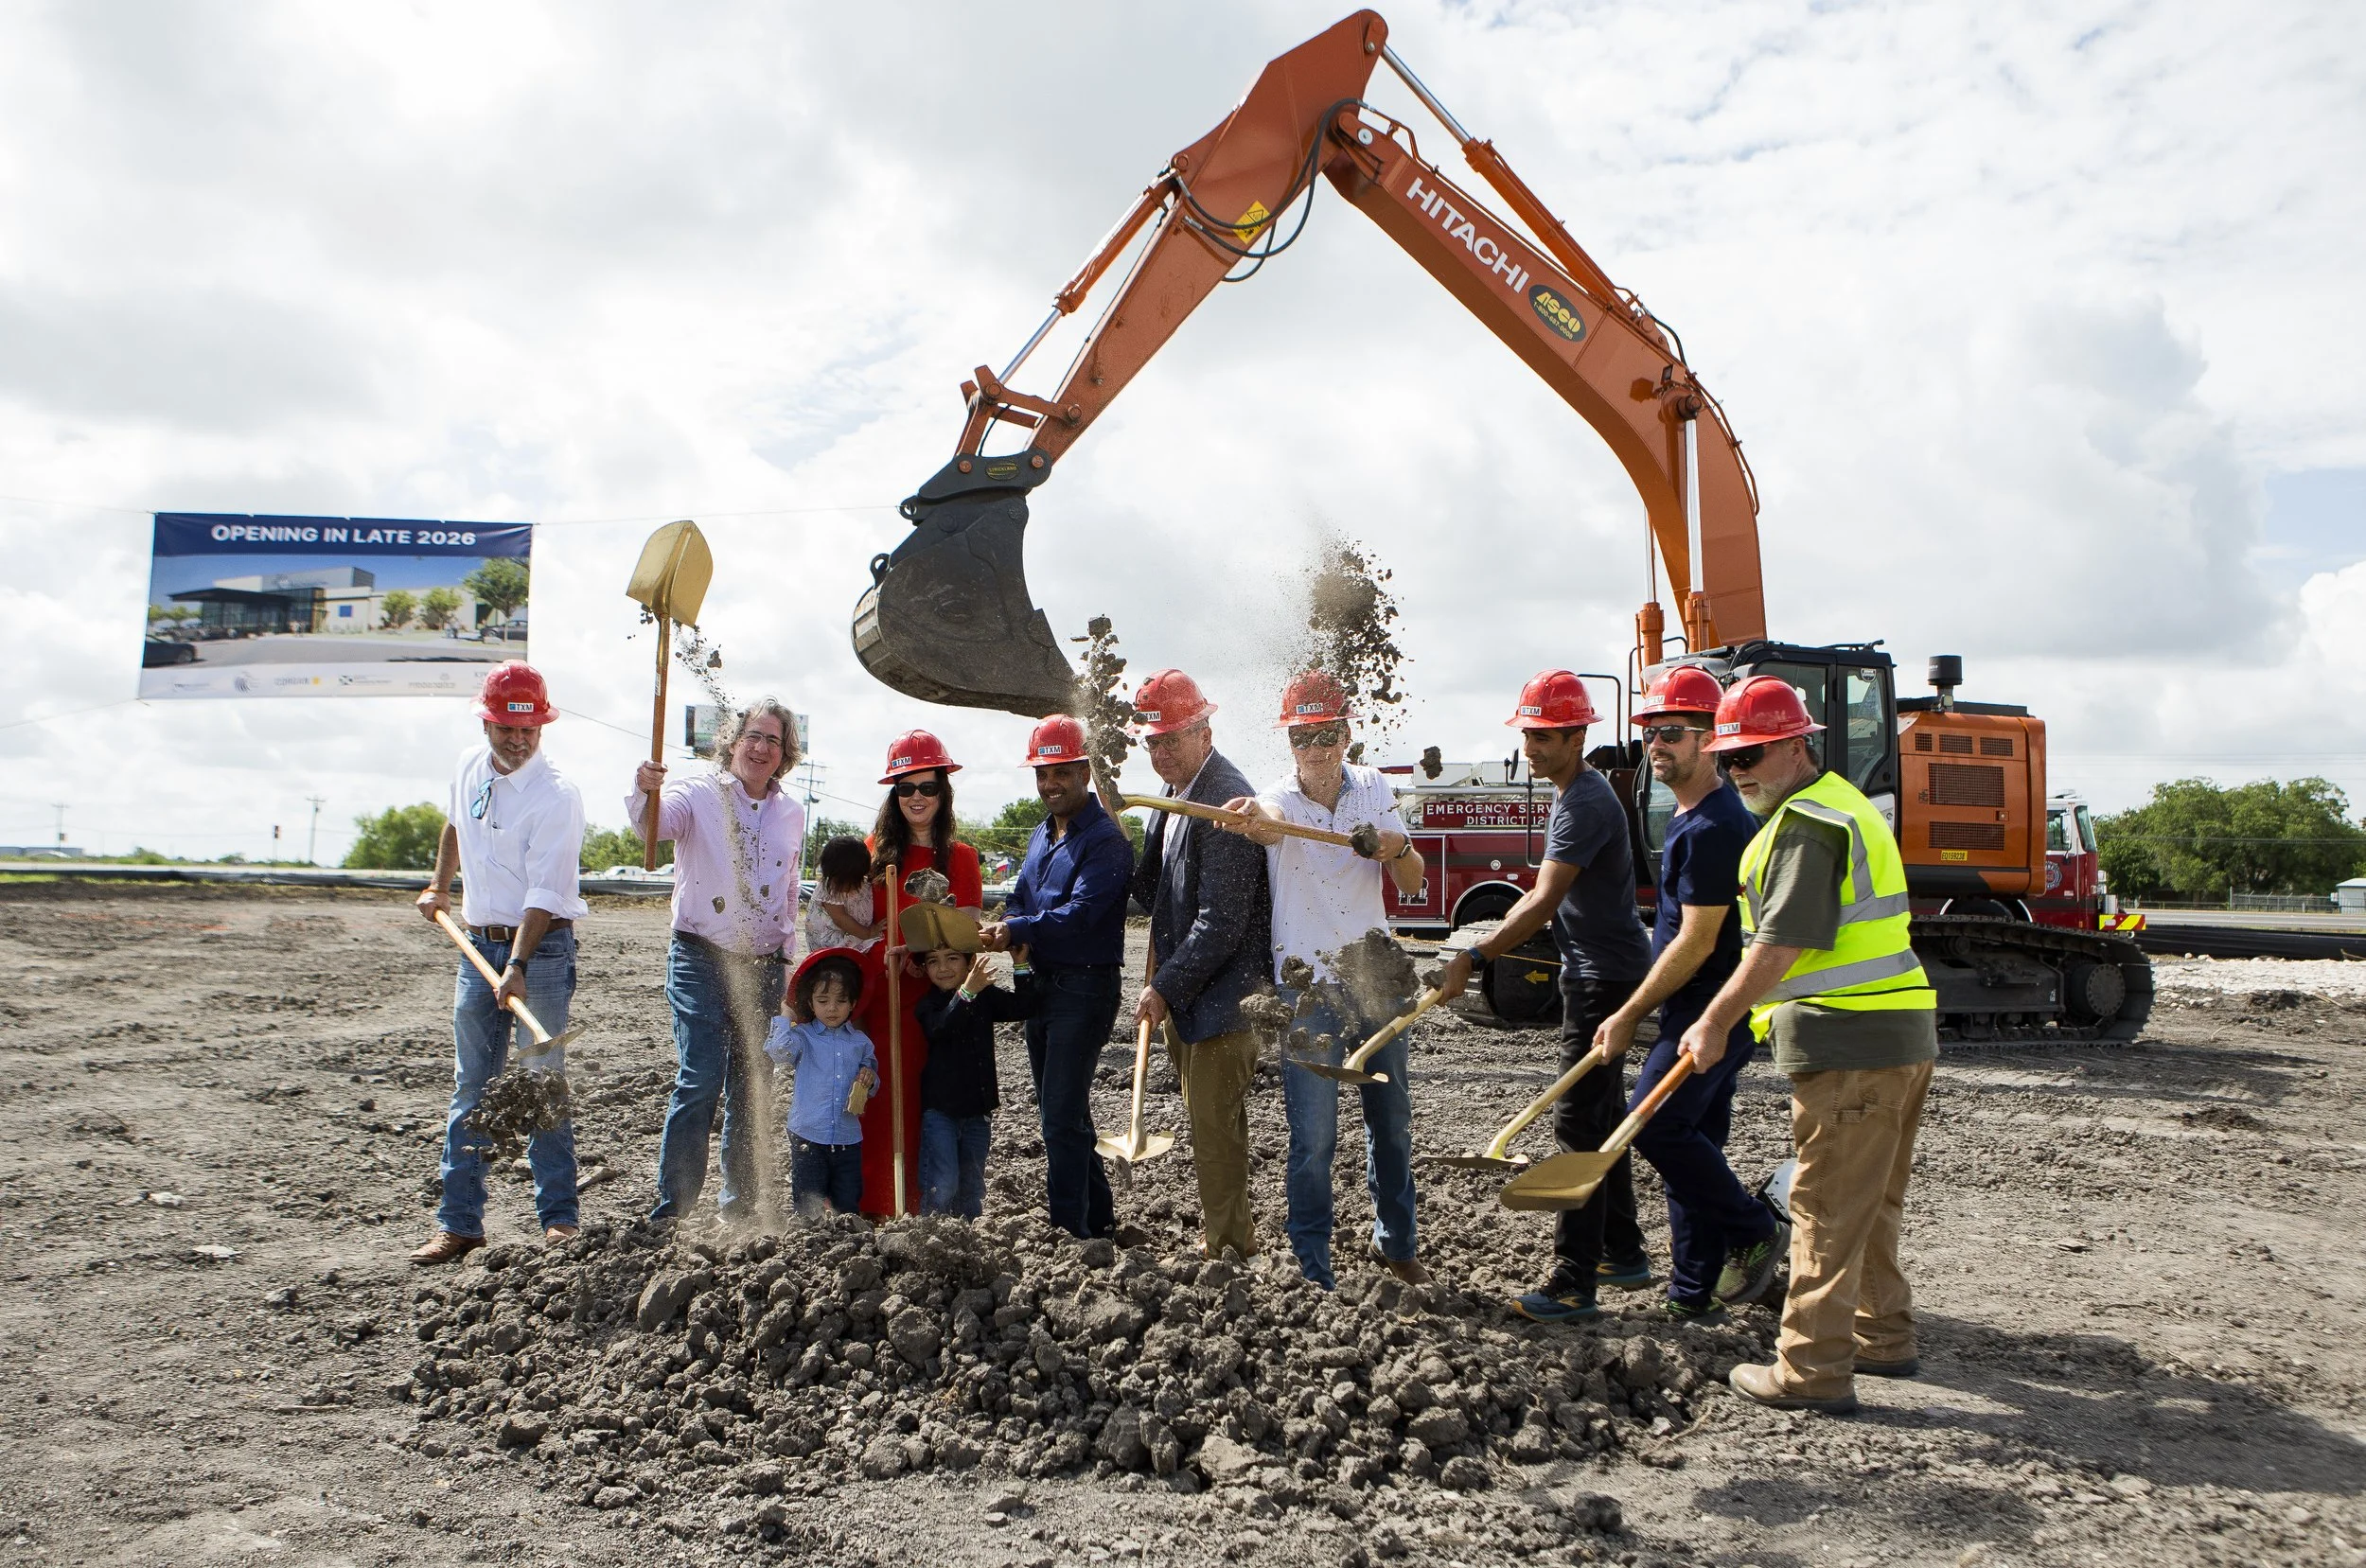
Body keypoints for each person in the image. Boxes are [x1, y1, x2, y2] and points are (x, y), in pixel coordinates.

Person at [1679, 676, 1938, 1414]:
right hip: (1898, 1031)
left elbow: (1781, 941)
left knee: (1824, 1206)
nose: (1739, 771)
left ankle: (1811, 1368)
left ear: (1798, 743)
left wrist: (1718, 1017)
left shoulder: (1807, 825)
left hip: (1850, 1041)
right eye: (1729, 759)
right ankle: (1882, 1333)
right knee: (1871, 1200)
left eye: (1753, 754)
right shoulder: (1838, 809)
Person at [1434, 670, 1652, 1322]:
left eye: (1544, 735)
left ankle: (1572, 1279)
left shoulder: (1584, 802)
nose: (1531, 746)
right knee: (1602, 1115)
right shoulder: (1576, 793)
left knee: (1576, 1122)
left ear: (1578, 734)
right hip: (1605, 969)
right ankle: (1623, 1248)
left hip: (1600, 979)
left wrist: (1475, 955)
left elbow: (1541, 901)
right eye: (1527, 734)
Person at [1586, 667, 1787, 1322]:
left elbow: (1697, 940)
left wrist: (1628, 1010)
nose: (1656, 744)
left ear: (1710, 740)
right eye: (1650, 732)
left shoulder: (1712, 828)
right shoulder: (1693, 815)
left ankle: (1754, 1226)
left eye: (1672, 731)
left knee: (1655, 1124)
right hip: (1705, 1008)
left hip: (1710, 1010)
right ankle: (1692, 1290)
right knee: (1694, 1139)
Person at [1220, 672, 1429, 1289]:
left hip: (1377, 978)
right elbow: (1270, 821)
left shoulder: (1373, 787)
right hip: (1307, 986)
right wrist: (1256, 818)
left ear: (1346, 732)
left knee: (1390, 1121)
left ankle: (1397, 1242)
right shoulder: (1278, 796)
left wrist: (1394, 847)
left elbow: (1415, 881)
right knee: (1313, 1137)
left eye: (1326, 733)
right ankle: (1313, 1266)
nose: (1315, 748)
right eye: (1302, 735)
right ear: (1290, 740)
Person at [411, 661, 586, 1265]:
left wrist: (516, 963)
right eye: (507, 729)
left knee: (540, 1082)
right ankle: (459, 1223)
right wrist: (440, 888)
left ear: (542, 727)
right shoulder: (468, 765)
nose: (517, 740)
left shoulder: (556, 796)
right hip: (478, 943)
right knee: (472, 1085)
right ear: (487, 723)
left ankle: (559, 1219)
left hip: (540, 949)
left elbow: (544, 892)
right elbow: (456, 824)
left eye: (528, 730)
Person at [629, 697, 808, 1225]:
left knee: (752, 1084)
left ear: (785, 755)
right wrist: (646, 789)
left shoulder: (792, 813)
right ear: (732, 742)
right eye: (753, 736)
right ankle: (674, 1213)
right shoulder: (693, 793)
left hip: (763, 965)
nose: (761, 747)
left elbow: (789, 889)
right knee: (701, 1076)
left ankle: (739, 1211)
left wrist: (786, 958)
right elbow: (653, 829)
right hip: (701, 957)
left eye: (773, 741)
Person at [1127, 669, 1271, 1261]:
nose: (1160, 751)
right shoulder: (1177, 796)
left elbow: (1223, 922)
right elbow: (1152, 892)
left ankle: (1230, 1254)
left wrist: (1162, 987)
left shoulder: (1225, 801)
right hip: (1193, 996)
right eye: (1152, 741)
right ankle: (1224, 1238)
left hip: (1226, 998)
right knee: (1206, 1125)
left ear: (1205, 729)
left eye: (1171, 738)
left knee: (1215, 1132)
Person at [979, 715, 1136, 1240]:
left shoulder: (1106, 841)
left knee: (1060, 1113)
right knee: (1057, 1109)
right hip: (1042, 985)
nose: (1050, 784)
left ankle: (1070, 1233)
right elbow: (1022, 896)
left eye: (1061, 773)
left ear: (1085, 771)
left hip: (1084, 988)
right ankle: (1100, 1217)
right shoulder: (1041, 834)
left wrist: (1017, 927)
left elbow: (1081, 914)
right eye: (1042, 774)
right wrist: (1007, 922)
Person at [858, 730, 982, 1217]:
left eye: (926, 787)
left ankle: (924, 1208)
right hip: (884, 997)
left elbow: (968, 931)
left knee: (930, 1108)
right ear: (894, 794)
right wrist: (882, 946)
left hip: (939, 1003)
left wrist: (924, 947)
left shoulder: (964, 858)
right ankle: (876, 1204)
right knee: (882, 1100)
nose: (916, 798)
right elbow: (853, 924)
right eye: (905, 788)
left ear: (942, 792)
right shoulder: (872, 855)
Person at [915, 944, 1038, 1218]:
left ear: (971, 963)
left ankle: (967, 1242)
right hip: (940, 1112)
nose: (943, 968)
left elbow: (1024, 1006)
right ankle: (930, 1235)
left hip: (977, 1112)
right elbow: (942, 1028)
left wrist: (1020, 965)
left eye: (952, 958)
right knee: (943, 1181)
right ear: (924, 969)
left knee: (972, 1184)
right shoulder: (929, 1004)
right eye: (933, 961)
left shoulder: (985, 997)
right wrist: (967, 992)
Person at [765, 949, 876, 1217]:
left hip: (848, 1138)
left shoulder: (860, 1042)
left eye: (841, 1000)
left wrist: (869, 1079)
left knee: (847, 1205)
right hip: (808, 1136)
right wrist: (785, 1015)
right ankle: (808, 1245)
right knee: (808, 1205)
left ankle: (847, 1245)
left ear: (853, 1003)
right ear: (811, 1003)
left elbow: (872, 1082)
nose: (832, 1008)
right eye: (823, 1000)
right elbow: (778, 1052)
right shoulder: (802, 1037)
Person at [803, 836, 882, 954]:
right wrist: (868, 933)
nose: (845, 886)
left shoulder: (863, 882)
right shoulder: (829, 889)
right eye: (841, 881)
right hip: (832, 942)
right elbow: (840, 919)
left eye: (854, 881)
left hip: (853, 932)